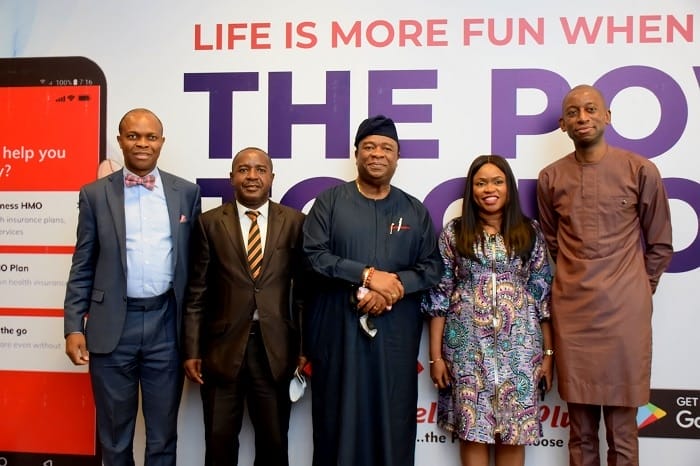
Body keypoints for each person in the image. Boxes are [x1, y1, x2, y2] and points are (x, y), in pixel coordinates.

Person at [536, 84, 673, 466]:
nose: (583, 118)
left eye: (591, 109)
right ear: (563, 124)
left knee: (623, 432)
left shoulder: (640, 170)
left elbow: (660, 244)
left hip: (624, 316)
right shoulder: (551, 178)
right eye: (574, 112)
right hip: (573, 315)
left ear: (607, 116)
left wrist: (637, 291)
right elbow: (553, 240)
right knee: (580, 434)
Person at [64, 108, 202, 466]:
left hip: (166, 326)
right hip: (112, 327)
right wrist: (73, 326)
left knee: (162, 437)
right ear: (121, 140)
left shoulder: (186, 193)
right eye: (134, 136)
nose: (142, 143)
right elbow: (83, 263)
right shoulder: (95, 194)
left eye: (150, 137)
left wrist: (195, 334)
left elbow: (194, 267)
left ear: (161, 142)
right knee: (114, 437)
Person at [302, 115, 443, 466]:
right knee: (338, 424)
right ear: (356, 154)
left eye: (386, 148)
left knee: (391, 423)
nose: (377, 154)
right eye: (369, 147)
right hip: (339, 336)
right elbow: (313, 256)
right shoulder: (329, 203)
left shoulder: (413, 210)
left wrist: (392, 287)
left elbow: (431, 267)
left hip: (394, 341)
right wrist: (366, 275)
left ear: (397, 157)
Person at [423, 154, 554, 466]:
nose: (489, 189)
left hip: (520, 352)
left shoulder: (529, 232)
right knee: (473, 429)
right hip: (467, 350)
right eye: (481, 183)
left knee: (514, 430)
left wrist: (549, 355)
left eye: (497, 181)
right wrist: (436, 357)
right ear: (472, 190)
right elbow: (439, 298)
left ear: (509, 187)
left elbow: (542, 297)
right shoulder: (454, 233)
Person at [183, 147, 307, 466]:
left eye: (260, 170)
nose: (252, 176)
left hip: (276, 351)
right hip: (221, 352)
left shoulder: (295, 222)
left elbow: (303, 294)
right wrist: (192, 349)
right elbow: (197, 292)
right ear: (232, 178)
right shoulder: (209, 223)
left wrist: (303, 348)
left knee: (274, 444)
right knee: (219, 444)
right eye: (243, 169)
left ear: (272, 177)